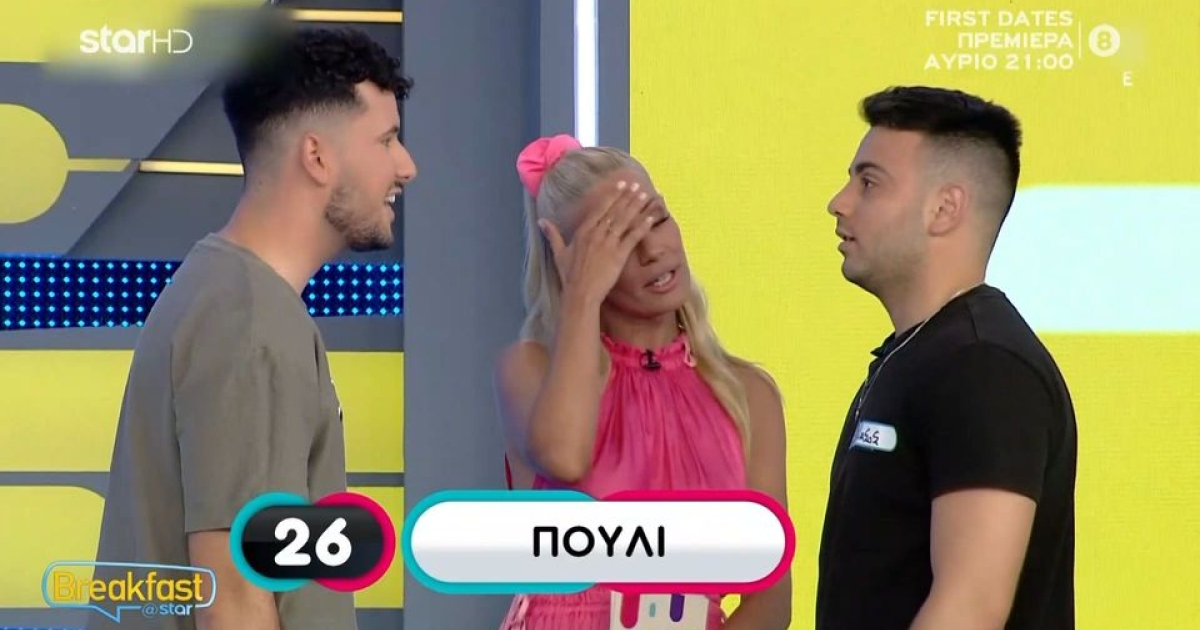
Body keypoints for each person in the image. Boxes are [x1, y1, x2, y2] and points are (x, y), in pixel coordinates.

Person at [87, 26, 416, 630]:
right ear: (317, 157)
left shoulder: (223, 293)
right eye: (387, 139)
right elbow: (236, 596)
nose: (406, 166)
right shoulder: (251, 322)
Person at [492, 134, 792, 630]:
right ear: (572, 262)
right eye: (620, 241)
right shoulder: (529, 368)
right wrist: (582, 297)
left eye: (657, 219)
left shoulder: (750, 394)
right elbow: (564, 458)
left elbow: (772, 599)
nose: (654, 250)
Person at [816, 85, 1078, 630]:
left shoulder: (984, 367)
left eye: (869, 183)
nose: (839, 202)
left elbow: (971, 607)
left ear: (944, 208)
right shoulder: (923, 355)